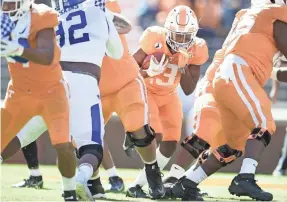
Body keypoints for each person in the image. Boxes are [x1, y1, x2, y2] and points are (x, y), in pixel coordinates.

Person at [170, 0, 287, 201]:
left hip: (229, 75)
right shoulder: (276, 13)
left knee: (233, 146)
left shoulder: (251, 16)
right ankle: (245, 177)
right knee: (263, 123)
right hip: (237, 71)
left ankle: (187, 182)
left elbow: (275, 70)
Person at [126, 5, 208, 199]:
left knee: (170, 143)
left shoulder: (198, 48)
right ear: (168, 30)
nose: (182, 40)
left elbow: (188, 89)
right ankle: (150, 182)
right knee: (155, 136)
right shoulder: (154, 38)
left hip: (170, 96)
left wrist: (184, 66)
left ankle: (136, 186)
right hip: (148, 92)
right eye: (178, 35)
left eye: (186, 36)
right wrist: (147, 72)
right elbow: (129, 69)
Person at [0, 2, 78, 200]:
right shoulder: (3, 19)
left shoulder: (41, 16)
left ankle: (69, 192)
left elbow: (46, 56)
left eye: (11, 1)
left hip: (51, 92)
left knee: (63, 146)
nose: (5, 5)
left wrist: (17, 49)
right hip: (19, 92)